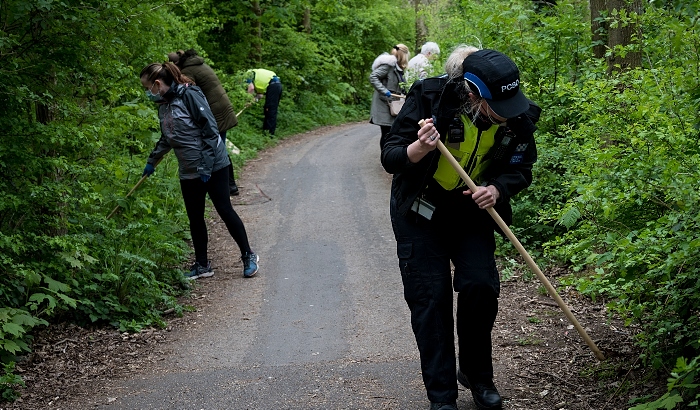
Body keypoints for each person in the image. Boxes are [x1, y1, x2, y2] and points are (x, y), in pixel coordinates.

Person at [380, 46, 541, 410]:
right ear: (473, 94)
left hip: (471, 208)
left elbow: (521, 166)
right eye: (501, 105)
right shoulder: (430, 98)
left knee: (480, 285)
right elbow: (391, 157)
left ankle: (477, 375)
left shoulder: (515, 116)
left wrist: (497, 188)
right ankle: (442, 397)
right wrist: (420, 147)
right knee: (430, 297)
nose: (510, 113)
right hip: (421, 209)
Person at [139, 62, 260, 279]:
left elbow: (211, 132)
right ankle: (203, 265)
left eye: (149, 87)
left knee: (224, 209)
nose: (149, 93)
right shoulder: (164, 105)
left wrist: (205, 166)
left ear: (158, 83)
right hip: (189, 169)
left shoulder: (190, 95)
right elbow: (168, 137)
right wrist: (152, 161)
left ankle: (248, 255)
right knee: (195, 217)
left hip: (213, 165)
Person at [169, 49, 241, 196]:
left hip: (216, 112)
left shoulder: (189, 70)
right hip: (221, 108)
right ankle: (228, 186)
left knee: (217, 148)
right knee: (219, 146)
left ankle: (228, 186)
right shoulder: (198, 64)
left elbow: (184, 91)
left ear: (176, 64)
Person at [369, 44, 410, 148]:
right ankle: (385, 158)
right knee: (386, 133)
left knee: (390, 133)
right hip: (384, 105)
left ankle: (388, 157)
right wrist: (385, 91)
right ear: (404, 55)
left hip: (392, 105)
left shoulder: (399, 69)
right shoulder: (388, 66)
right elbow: (373, 77)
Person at [246, 68, 282, 136]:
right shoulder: (256, 78)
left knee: (270, 109)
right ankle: (266, 130)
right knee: (267, 108)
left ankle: (269, 133)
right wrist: (254, 100)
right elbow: (260, 95)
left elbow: (251, 88)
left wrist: (248, 101)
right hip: (276, 86)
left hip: (273, 86)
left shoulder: (248, 75)